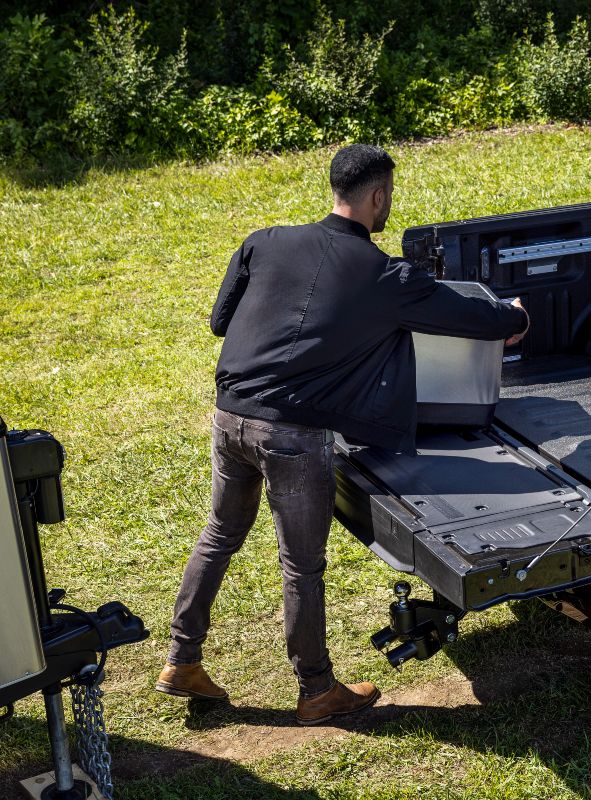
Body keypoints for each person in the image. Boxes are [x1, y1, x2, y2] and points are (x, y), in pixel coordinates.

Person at [156, 144, 529, 725]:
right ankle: (317, 691)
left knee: (220, 533)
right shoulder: (386, 276)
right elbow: (471, 317)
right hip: (293, 436)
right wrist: (516, 316)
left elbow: (221, 322)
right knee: (300, 566)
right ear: (378, 196)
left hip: (229, 417)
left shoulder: (265, 240)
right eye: (389, 197)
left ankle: (181, 659)